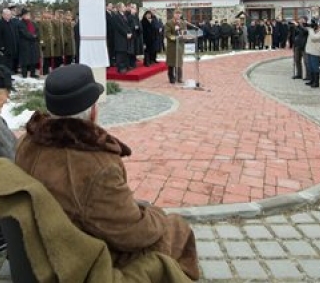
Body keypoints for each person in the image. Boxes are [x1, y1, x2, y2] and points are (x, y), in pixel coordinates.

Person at [15, 64, 200, 280]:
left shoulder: (25, 143)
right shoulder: (96, 167)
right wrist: (157, 216)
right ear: (93, 111)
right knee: (176, 228)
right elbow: (132, 233)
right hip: (82, 258)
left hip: (46, 243)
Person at [305, 18, 320, 88]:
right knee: (310, 67)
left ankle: (316, 83)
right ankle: (312, 80)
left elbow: (313, 38)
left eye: (319, 24)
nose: (318, 25)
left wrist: (310, 29)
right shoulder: (318, 30)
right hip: (310, 51)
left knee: (315, 67)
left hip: (315, 52)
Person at [16, 8, 41, 78]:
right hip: (25, 44)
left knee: (33, 60)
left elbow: (37, 30)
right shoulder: (20, 23)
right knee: (25, 60)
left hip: (33, 44)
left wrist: (35, 35)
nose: (28, 16)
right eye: (27, 14)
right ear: (23, 16)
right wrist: (33, 36)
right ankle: (24, 74)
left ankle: (32, 74)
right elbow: (24, 33)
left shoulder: (33, 23)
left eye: (29, 14)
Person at [0, 7, 19, 73]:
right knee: (4, 62)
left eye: (10, 15)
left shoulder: (11, 23)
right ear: (3, 15)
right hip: (4, 47)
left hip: (11, 46)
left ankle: (9, 74)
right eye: (7, 15)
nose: (9, 16)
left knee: (10, 61)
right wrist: (1, 45)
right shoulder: (0, 23)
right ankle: (3, 74)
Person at [165, 9, 185, 83]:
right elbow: (167, 34)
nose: (178, 15)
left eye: (179, 14)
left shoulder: (183, 23)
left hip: (180, 45)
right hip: (172, 46)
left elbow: (184, 32)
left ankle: (179, 78)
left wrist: (184, 36)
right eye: (176, 13)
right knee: (171, 62)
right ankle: (171, 78)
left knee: (179, 62)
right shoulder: (169, 23)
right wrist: (174, 38)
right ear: (174, 14)